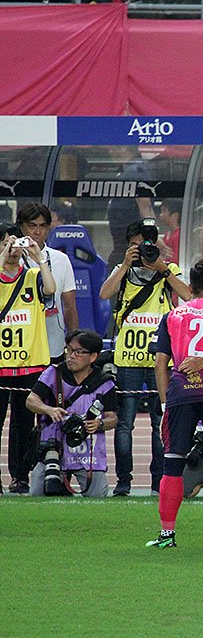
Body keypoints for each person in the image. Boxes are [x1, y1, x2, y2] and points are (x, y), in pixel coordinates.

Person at [99, 218, 191, 496]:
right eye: (136, 245)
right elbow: (104, 293)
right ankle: (123, 481)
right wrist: (125, 265)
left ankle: (158, 481)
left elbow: (188, 295)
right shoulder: (123, 270)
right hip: (128, 358)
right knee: (124, 423)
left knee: (160, 422)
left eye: (146, 244)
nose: (142, 250)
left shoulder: (167, 269)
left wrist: (162, 268)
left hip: (159, 358)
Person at [146, 259, 203, 548]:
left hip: (181, 393)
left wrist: (165, 401)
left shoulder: (173, 315)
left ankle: (167, 534)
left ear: (190, 287)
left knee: (173, 462)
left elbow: (160, 363)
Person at [26, 330, 117, 498]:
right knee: (37, 493)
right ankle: (60, 483)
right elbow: (31, 400)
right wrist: (49, 410)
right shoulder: (53, 373)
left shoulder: (104, 382)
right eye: (69, 350)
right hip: (54, 446)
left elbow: (113, 418)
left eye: (78, 352)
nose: (71, 356)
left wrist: (100, 424)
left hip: (86, 449)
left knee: (97, 495)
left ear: (93, 357)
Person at [0, 228, 56, 494]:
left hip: (29, 362)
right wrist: (3, 256)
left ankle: (20, 476)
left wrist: (38, 257)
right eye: (6, 243)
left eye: (15, 243)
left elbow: (51, 289)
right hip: (1, 364)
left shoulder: (32, 276)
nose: (12, 249)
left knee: (23, 424)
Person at [15, 203, 78, 365]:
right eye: (32, 226)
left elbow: (69, 306)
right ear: (21, 227)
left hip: (53, 342)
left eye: (43, 226)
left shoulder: (61, 259)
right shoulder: (11, 259)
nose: (37, 232)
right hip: (17, 345)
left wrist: (74, 343)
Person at [106, 146, 155, 270]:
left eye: (113, 148)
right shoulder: (126, 170)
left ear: (124, 149)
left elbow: (145, 205)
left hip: (130, 239)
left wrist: (151, 233)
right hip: (122, 240)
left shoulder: (135, 171)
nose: (110, 151)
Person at [157, 199, 182, 265]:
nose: (160, 215)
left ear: (175, 215)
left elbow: (175, 262)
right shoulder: (167, 234)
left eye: (164, 211)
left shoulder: (178, 236)